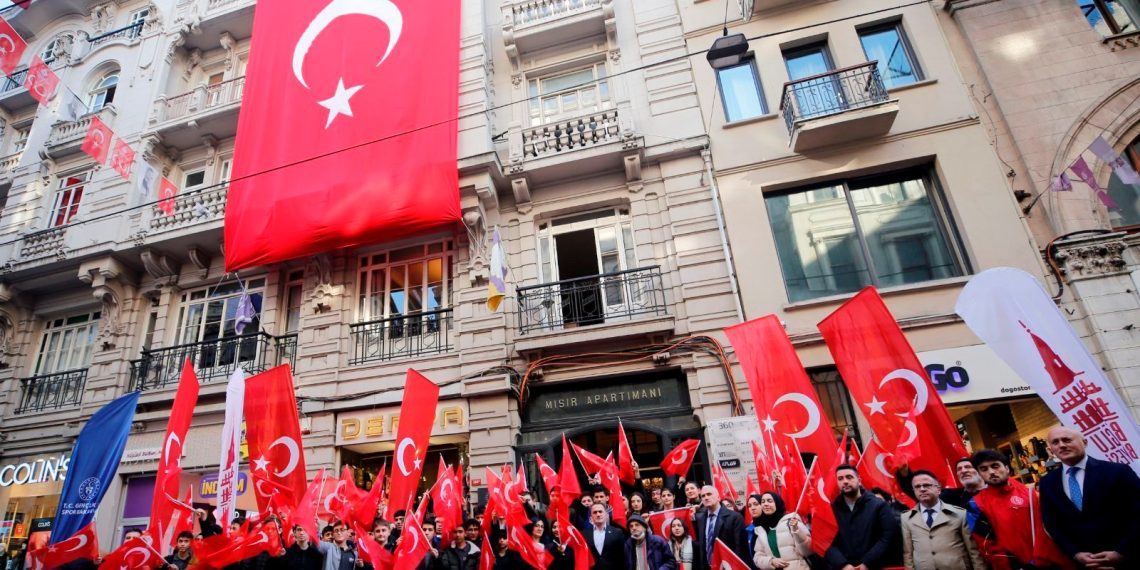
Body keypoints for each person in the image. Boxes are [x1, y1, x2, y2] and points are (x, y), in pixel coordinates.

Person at [1039, 426, 1140, 568]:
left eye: (1067, 440)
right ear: (1051, 450)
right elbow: (1053, 524)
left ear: (1084, 443)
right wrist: (1075, 553)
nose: (1061, 445)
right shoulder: (1047, 482)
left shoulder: (1117, 471)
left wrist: (1122, 552)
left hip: (1127, 559)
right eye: (1055, 442)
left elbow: (1137, 514)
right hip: (1085, 564)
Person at [969, 449, 1071, 569]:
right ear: (979, 474)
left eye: (995, 466)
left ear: (1007, 468)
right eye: (984, 469)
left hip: (1052, 561)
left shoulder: (1031, 493)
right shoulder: (975, 504)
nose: (991, 472)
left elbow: (1052, 526)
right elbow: (987, 546)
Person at [899, 470, 985, 570]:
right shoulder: (906, 518)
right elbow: (908, 554)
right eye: (917, 487)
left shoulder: (959, 514)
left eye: (927, 485)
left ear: (938, 489)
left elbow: (973, 551)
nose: (922, 489)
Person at [824, 464, 900, 570]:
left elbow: (888, 536)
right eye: (840, 478)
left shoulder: (878, 505)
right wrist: (843, 564)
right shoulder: (831, 510)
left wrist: (868, 562)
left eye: (849, 477)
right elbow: (826, 541)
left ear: (859, 480)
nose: (845, 481)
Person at [751, 492, 811, 570]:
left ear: (777, 503)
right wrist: (771, 561)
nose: (765, 504)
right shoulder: (762, 529)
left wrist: (797, 531)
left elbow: (807, 551)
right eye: (763, 502)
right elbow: (757, 557)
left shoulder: (791, 521)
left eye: (769, 501)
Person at [693, 486, 749, 570]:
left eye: (709, 494)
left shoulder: (735, 517)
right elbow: (702, 547)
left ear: (718, 497)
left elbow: (740, 549)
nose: (706, 497)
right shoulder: (701, 519)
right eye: (703, 496)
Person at [587, 502, 627, 570]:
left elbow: (622, 557)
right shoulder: (584, 534)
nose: (598, 514)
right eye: (595, 512)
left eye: (600, 511)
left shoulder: (617, 532)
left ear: (606, 515)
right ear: (591, 517)